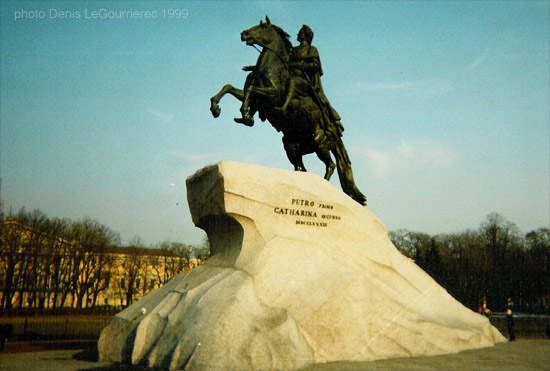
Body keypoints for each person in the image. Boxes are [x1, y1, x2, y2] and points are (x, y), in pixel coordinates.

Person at [276, 25, 344, 142]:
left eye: (300, 32)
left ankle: (283, 107)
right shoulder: (294, 50)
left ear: (305, 35)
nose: (297, 34)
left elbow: (316, 66)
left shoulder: (311, 49)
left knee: (293, 82)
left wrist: (300, 65)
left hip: (303, 82)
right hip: (290, 78)